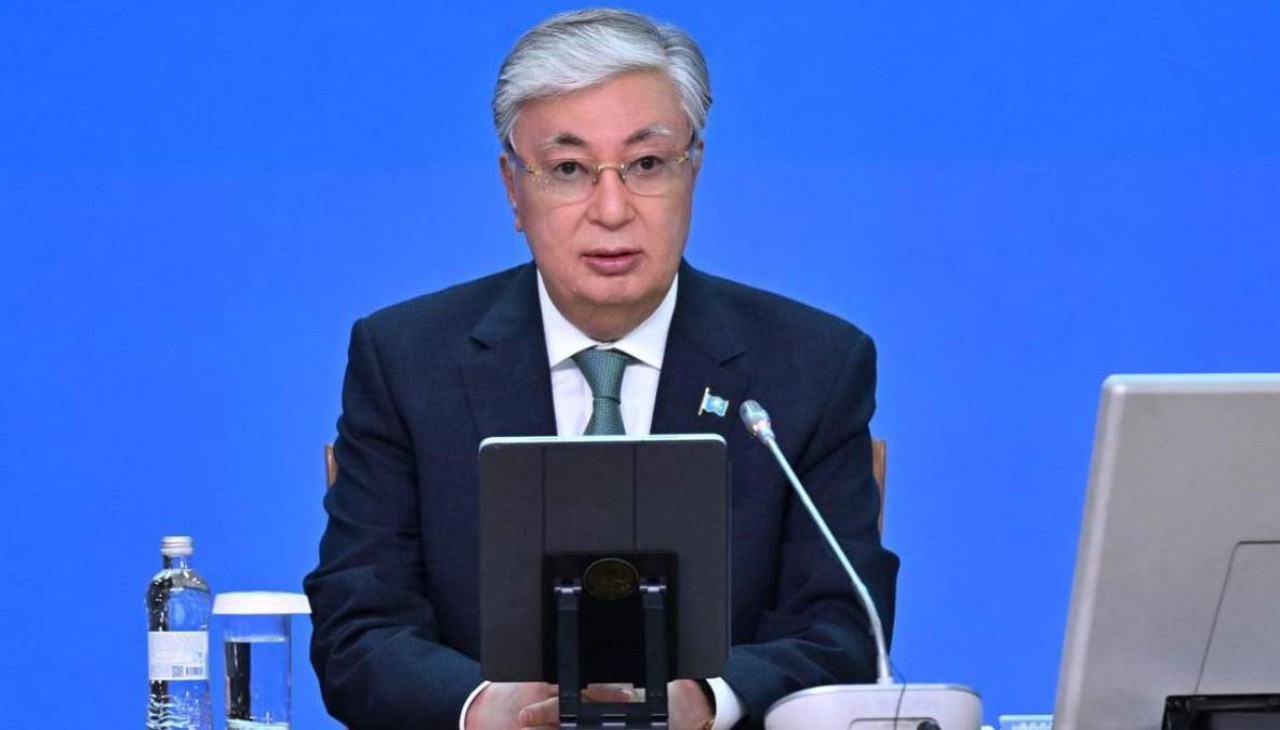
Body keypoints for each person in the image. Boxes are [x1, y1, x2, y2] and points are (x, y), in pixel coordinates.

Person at [304, 9, 898, 730]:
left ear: (693, 169)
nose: (611, 209)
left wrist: (707, 699)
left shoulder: (811, 366)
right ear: (513, 188)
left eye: (646, 164)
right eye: (568, 170)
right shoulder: (407, 361)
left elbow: (842, 628)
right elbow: (358, 627)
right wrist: (485, 707)